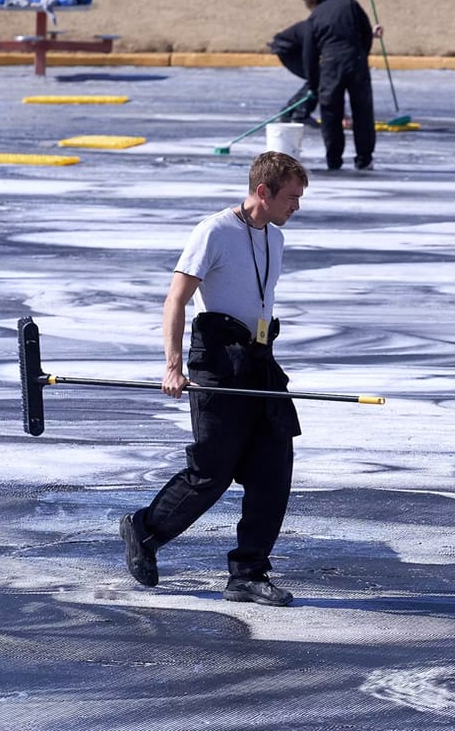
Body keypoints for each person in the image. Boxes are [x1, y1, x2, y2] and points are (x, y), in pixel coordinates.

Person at [119, 151, 308, 607]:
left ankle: (248, 573)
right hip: (217, 358)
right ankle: (145, 530)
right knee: (213, 471)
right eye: (291, 197)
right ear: (262, 191)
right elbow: (176, 299)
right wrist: (173, 365)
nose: (296, 206)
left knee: (273, 468)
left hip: (259, 358)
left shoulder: (276, 238)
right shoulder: (214, 232)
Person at [300, 0, 380, 171]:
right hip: (356, 61)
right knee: (362, 111)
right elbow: (366, 32)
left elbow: (309, 53)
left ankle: (334, 159)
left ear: (313, 3)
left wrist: (313, 83)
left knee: (331, 113)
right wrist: (361, 55)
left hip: (330, 65)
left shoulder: (315, 16)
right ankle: (364, 158)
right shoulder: (350, 4)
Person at [269, 20, 318, 126]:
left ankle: (287, 113)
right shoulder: (320, 27)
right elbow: (309, 53)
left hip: (295, 48)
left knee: (321, 78)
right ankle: (300, 115)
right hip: (289, 50)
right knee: (319, 79)